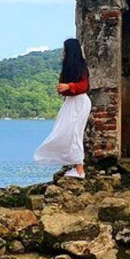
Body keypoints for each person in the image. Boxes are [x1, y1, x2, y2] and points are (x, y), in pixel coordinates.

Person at [34, 38, 91, 178]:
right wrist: (63, 88)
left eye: (64, 49)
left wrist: (69, 86)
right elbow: (66, 89)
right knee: (64, 131)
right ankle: (74, 164)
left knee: (75, 133)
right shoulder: (67, 68)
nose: (62, 52)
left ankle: (79, 169)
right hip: (70, 102)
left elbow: (84, 86)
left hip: (80, 102)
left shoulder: (81, 67)